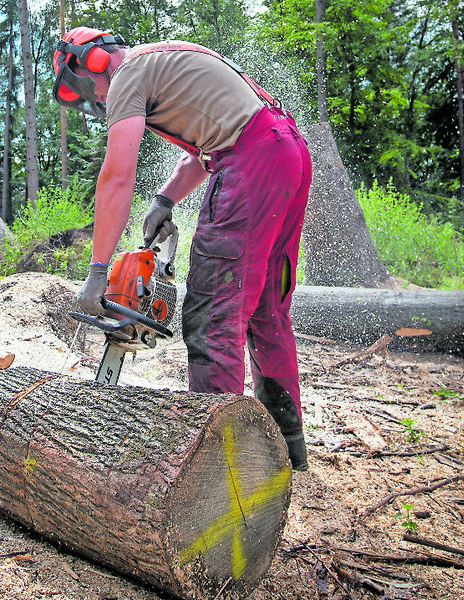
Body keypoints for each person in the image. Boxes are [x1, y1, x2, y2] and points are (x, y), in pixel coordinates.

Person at [53, 27, 313, 471]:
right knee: (266, 310)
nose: (96, 94)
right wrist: (165, 200)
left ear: (91, 62)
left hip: (251, 163)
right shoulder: (164, 61)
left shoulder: (127, 74)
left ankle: (223, 464)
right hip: (285, 153)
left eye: (90, 84)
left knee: (213, 313)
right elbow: (206, 148)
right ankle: (287, 444)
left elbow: (116, 176)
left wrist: (98, 272)